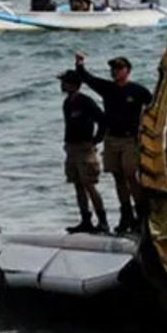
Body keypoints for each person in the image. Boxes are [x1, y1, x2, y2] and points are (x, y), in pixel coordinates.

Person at [75, 51, 154, 233]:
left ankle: (142, 214)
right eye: (113, 69)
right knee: (117, 176)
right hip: (111, 139)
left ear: (128, 70)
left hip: (129, 140)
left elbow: (155, 108)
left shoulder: (138, 91)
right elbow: (87, 78)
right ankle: (126, 213)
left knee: (130, 175)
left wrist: (148, 131)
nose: (115, 72)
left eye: (119, 68)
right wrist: (79, 64)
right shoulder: (108, 88)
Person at [60, 69, 108, 234]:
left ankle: (102, 221)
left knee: (89, 185)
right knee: (77, 185)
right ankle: (85, 220)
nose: (62, 85)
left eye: (65, 82)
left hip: (84, 147)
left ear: (74, 84)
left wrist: (96, 140)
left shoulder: (85, 101)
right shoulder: (67, 103)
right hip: (71, 148)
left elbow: (103, 121)